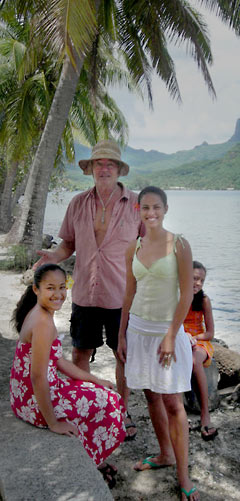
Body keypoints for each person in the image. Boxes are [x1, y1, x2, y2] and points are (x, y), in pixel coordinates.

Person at [33, 139, 143, 440]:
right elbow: (68, 242)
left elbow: (151, 246)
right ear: (91, 169)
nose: (104, 168)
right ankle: (84, 406)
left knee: (123, 355)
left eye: (110, 164)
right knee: (81, 352)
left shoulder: (135, 204)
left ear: (119, 169)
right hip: (85, 294)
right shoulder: (78, 203)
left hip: (122, 296)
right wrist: (55, 256)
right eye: (99, 163)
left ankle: (121, 410)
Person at [10, 264, 126, 488]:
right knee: (113, 402)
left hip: (26, 395)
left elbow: (59, 361)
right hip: (35, 401)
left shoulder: (41, 313)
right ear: (36, 289)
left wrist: (93, 379)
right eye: (50, 288)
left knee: (100, 390)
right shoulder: (43, 323)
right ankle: (91, 461)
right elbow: (37, 377)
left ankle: (91, 457)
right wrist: (53, 422)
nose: (59, 294)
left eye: (62, 287)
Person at [117, 186, 200, 501]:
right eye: (145, 208)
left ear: (165, 209)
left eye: (156, 208)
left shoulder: (179, 244)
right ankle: (164, 453)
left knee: (173, 404)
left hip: (168, 331)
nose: (151, 213)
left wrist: (169, 336)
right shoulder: (133, 247)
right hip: (138, 330)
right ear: (138, 209)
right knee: (151, 397)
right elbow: (128, 293)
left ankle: (183, 475)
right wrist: (122, 334)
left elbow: (187, 295)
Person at [183, 261, 218, 441]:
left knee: (195, 360)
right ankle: (180, 414)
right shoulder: (177, 297)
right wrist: (182, 337)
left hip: (199, 341)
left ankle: (205, 414)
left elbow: (210, 333)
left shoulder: (204, 300)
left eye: (201, 280)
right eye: (195, 278)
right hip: (180, 338)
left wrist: (195, 338)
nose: (198, 283)